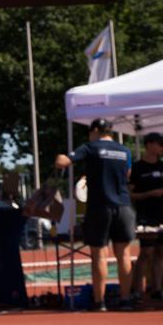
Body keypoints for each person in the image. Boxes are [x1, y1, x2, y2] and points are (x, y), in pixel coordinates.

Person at [56, 118, 135, 311]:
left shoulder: (91, 147)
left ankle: (100, 302)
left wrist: (59, 156)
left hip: (100, 206)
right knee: (124, 255)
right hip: (124, 206)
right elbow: (128, 174)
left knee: (99, 255)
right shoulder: (124, 151)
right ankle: (126, 299)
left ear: (95, 131)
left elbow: (64, 162)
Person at [129, 131, 163, 302]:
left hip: (162, 214)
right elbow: (131, 194)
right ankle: (136, 289)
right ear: (149, 144)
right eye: (159, 143)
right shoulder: (137, 167)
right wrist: (150, 194)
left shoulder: (162, 166)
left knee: (160, 252)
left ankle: (157, 288)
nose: (161, 147)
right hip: (146, 216)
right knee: (146, 252)